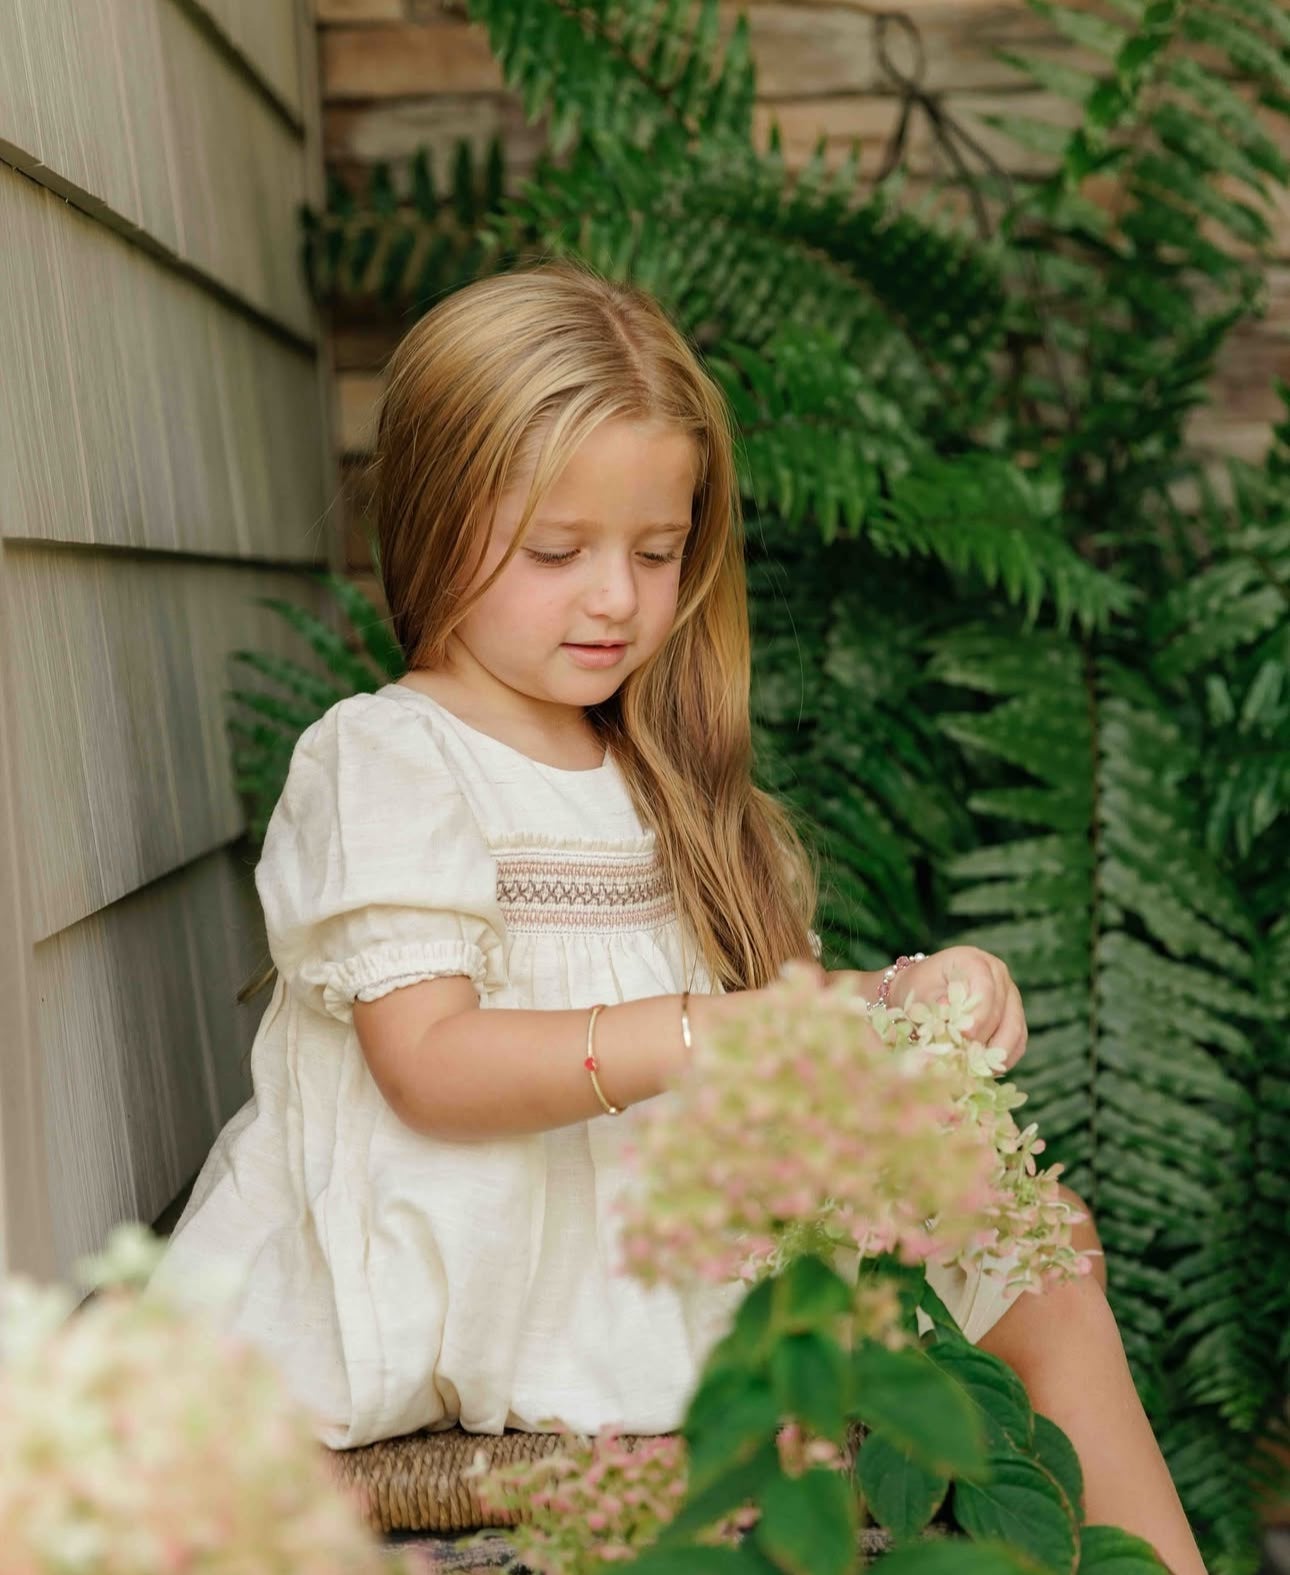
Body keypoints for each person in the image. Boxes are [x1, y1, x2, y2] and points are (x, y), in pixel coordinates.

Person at [148, 261, 1204, 1574]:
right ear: (427, 520)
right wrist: (708, 1033)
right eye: (556, 552)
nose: (615, 598)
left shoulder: (668, 776)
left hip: (663, 1242)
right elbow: (428, 1066)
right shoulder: (390, 759)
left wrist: (904, 1000)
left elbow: (779, 1010)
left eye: (657, 553)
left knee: (1041, 1257)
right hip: (483, 1270)